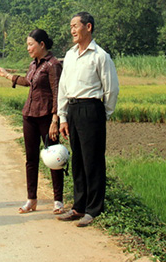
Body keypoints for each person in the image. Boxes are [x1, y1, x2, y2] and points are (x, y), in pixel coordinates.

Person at [56, 12, 119, 227]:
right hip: (72, 110)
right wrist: (63, 116)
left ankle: (94, 209)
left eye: (75, 26)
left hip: (91, 110)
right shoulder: (70, 55)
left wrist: (103, 115)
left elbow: (111, 89)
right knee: (78, 161)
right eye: (71, 26)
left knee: (93, 161)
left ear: (88, 27)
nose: (72, 30)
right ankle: (78, 206)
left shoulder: (100, 56)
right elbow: (63, 88)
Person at [0, 28, 64, 215]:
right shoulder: (34, 64)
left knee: (54, 158)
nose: (28, 48)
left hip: (47, 117)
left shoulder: (53, 65)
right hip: (30, 115)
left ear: (42, 44)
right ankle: (31, 199)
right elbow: (28, 81)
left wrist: (55, 119)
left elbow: (58, 92)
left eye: (30, 44)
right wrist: (7, 75)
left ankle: (58, 200)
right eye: (27, 45)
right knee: (30, 159)